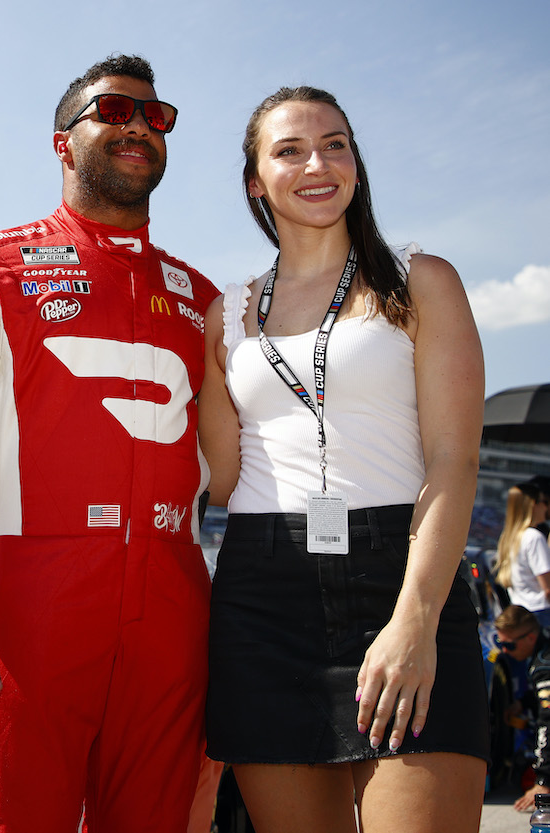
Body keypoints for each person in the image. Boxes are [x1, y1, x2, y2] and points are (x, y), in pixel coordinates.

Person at [0, 54, 219, 832]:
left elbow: (238, 471)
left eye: (156, 115)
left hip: (174, 608)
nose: (138, 125)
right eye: (114, 111)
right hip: (33, 606)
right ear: (61, 142)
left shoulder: (205, 300)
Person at [198, 86, 488, 832]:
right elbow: (218, 478)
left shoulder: (422, 279)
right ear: (256, 182)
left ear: (356, 163)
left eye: (335, 144)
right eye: (289, 150)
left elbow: (454, 461)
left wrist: (414, 621)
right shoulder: (224, 314)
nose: (317, 163)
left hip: (403, 574)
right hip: (263, 593)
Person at [494, 605, 550, 810]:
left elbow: (548, 723)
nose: (504, 651)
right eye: (501, 644)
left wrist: (543, 782)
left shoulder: (544, 666)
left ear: (530, 638)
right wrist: (524, 702)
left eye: (509, 645)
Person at [495, 482, 550, 626]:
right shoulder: (534, 537)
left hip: (520, 614)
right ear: (533, 505)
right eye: (543, 502)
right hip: (541, 613)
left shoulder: (510, 538)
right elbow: (548, 588)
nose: (546, 507)